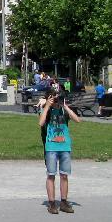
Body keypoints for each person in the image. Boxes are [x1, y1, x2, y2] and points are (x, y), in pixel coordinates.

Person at [40, 86, 81, 214]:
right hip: (51, 147)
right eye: (54, 97)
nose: (56, 100)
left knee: (64, 175)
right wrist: (47, 106)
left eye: (58, 97)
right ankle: (52, 203)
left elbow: (77, 120)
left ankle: (63, 202)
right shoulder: (46, 109)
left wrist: (65, 106)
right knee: (51, 175)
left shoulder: (63, 110)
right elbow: (41, 123)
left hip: (64, 146)